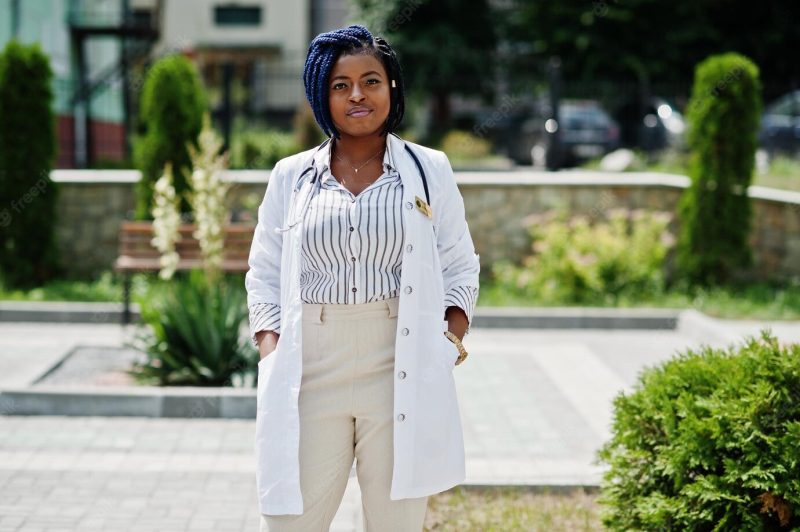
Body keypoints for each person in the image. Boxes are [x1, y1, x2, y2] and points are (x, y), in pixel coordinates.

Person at [245, 24, 480, 531]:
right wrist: (272, 349)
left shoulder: (429, 169)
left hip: (400, 359)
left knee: (395, 523)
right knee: (289, 521)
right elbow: (263, 269)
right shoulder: (291, 176)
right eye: (340, 84)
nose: (357, 95)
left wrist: (446, 345)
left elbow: (460, 264)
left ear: (390, 87)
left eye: (370, 80)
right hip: (311, 364)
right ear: (321, 95)